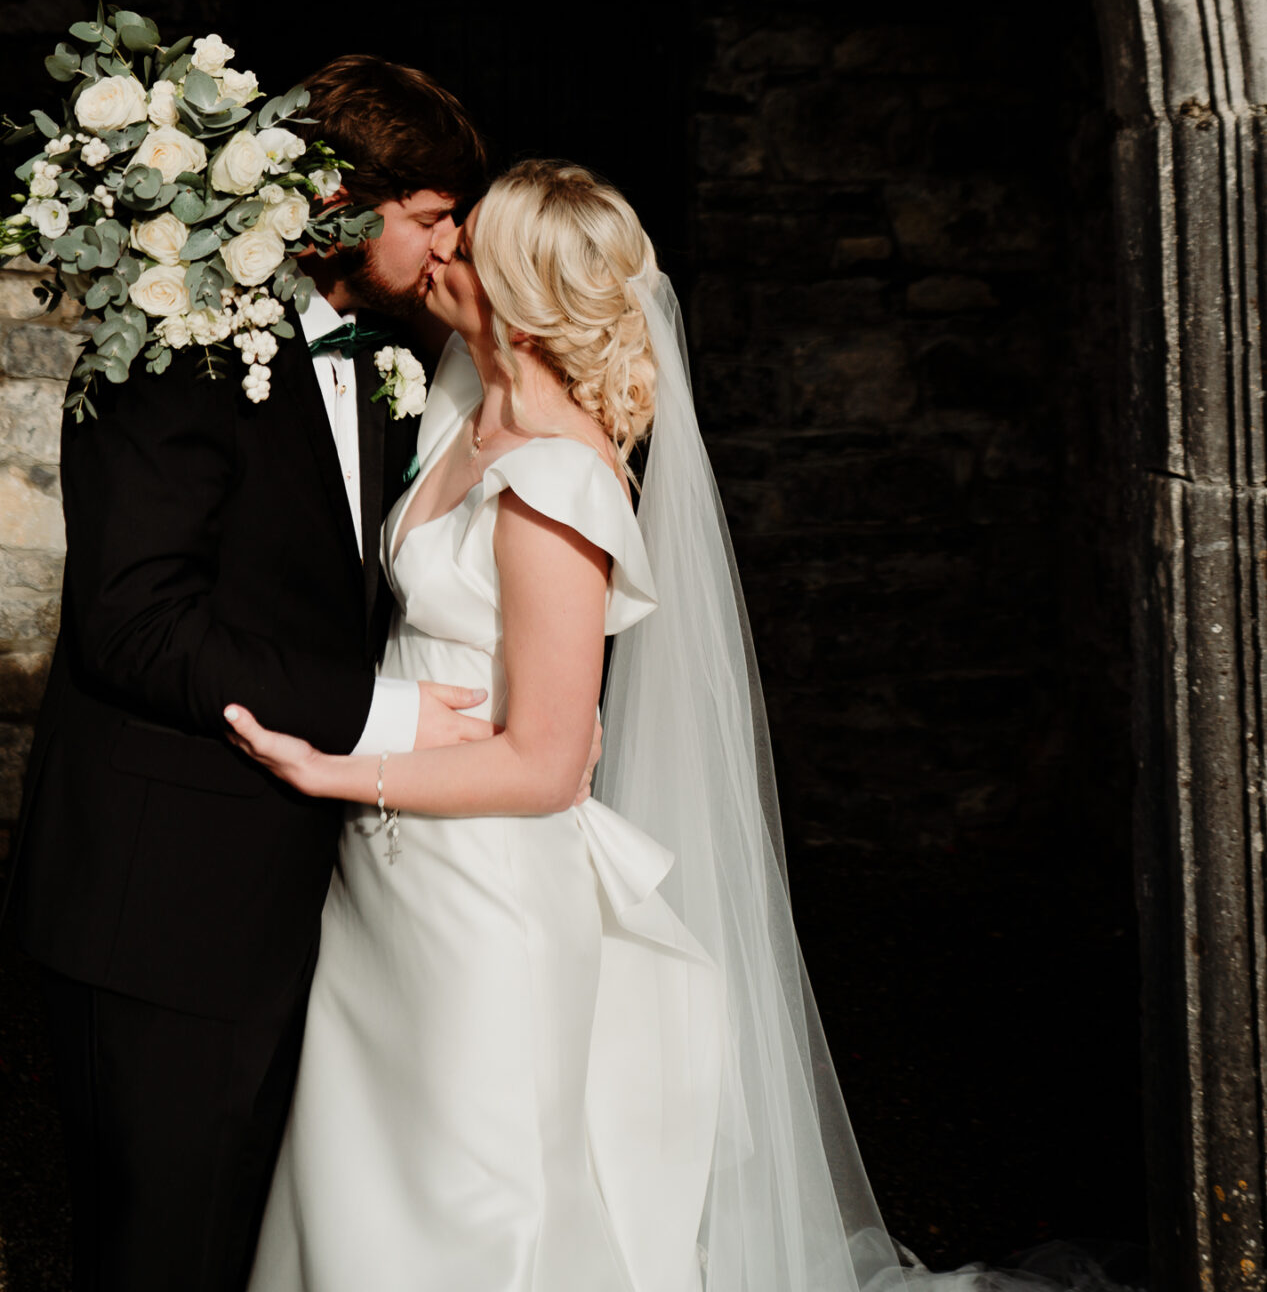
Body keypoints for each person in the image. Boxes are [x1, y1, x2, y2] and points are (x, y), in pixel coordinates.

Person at [230, 160, 1042, 1292]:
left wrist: (330, 773)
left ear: (520, 295)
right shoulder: (461, 393)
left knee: (478, 1201)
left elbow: (551, 763)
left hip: (483, 896)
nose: (445, 244)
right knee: (360, 1181)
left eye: (471, 242)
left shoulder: (558, 482)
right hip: (392, 881)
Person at [7, 54, 492, 1292]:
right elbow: (134, 623)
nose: (447, 253)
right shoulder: (171, 345)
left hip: (302, 885)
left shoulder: (387, 362)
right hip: (163, 894)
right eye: (432, 220)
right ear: (341, 206)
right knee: (160, 1243)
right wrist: (385, 713)